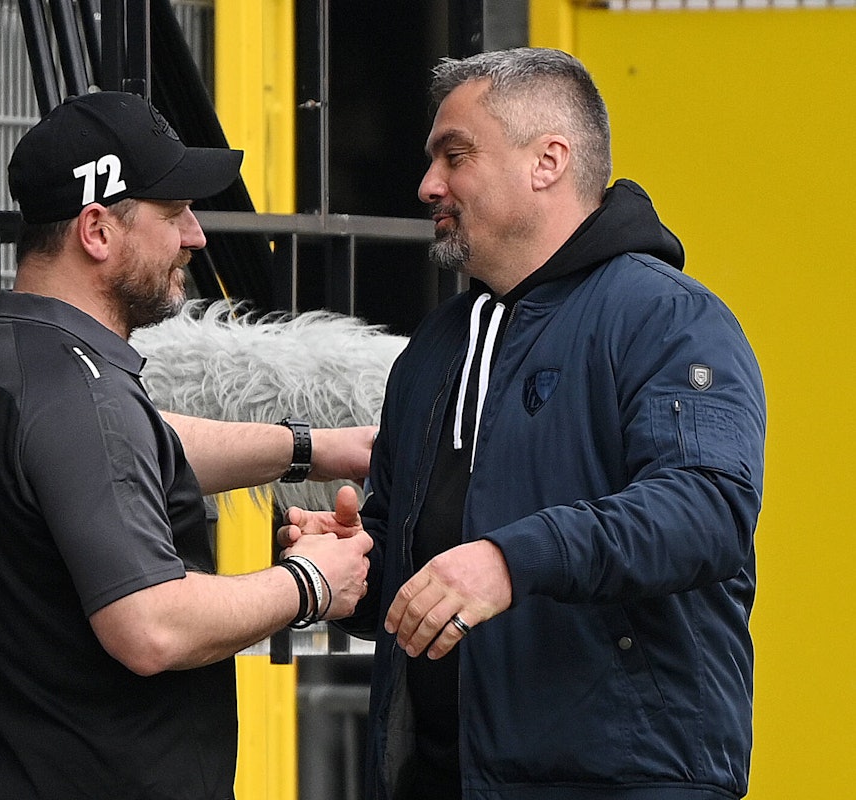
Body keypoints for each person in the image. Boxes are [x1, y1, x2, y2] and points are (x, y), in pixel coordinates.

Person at [281, 48, 766, 800]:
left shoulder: (668, 318)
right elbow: (423, 574)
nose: (427, 186)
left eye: (455, 155)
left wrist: (510, 560)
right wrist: (358, 569)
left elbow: (706, 511)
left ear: (547, 161)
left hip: (624, 781)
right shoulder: (433, 349)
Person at [0, 90, 373, 800]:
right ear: (96, 231)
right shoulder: (80, 395)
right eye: (172, 215)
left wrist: (319, 448)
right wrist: (311, 581)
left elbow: (134, 445)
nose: (194, 236)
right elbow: (150, 628)